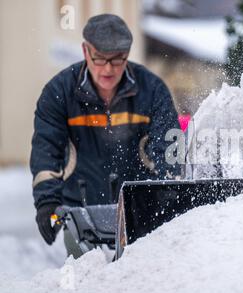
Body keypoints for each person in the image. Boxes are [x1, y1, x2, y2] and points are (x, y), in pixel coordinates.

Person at [31, 14, 181, 252]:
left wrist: (171, 191)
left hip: (139, 214)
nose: (108, 69)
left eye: (117, 59)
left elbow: (169, 149)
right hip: (81, 216)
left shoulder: (152, 90)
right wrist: (47, 201)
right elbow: (47, 149)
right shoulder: (58, 92)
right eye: (100, 59)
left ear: (128, 54)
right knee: (87, 282)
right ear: (85, 51)